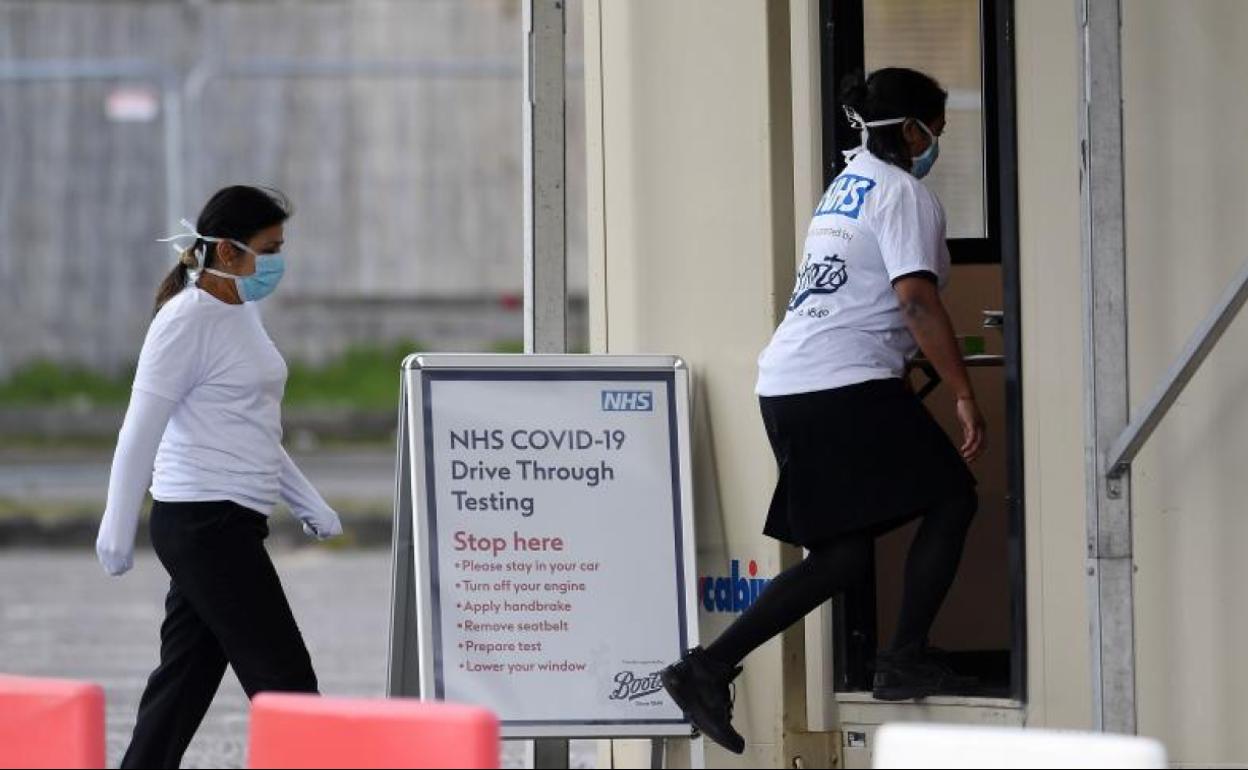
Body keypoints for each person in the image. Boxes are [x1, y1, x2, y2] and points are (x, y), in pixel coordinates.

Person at [661, 68, 986, 754]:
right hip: (842, 383)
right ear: (910, 129)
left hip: (792, 383)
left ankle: (706, 667)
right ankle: (899, 661)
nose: (937, 146)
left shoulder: (847, 186)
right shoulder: (903, 193)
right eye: (937, 132)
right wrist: (962, 390)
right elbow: (916, 300)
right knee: (952, 495)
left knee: (841, 557)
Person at [95, 186, 343, 769]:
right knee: (286, 682)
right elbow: (140, 428)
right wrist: (117, 519)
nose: (278, 262)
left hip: (229, 521)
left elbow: (253, 428)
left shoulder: (240, 312)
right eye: (270, 248)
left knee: (183, 682)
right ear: (228, 253)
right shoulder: (186, 320)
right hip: (203, 522)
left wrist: (308, 501)